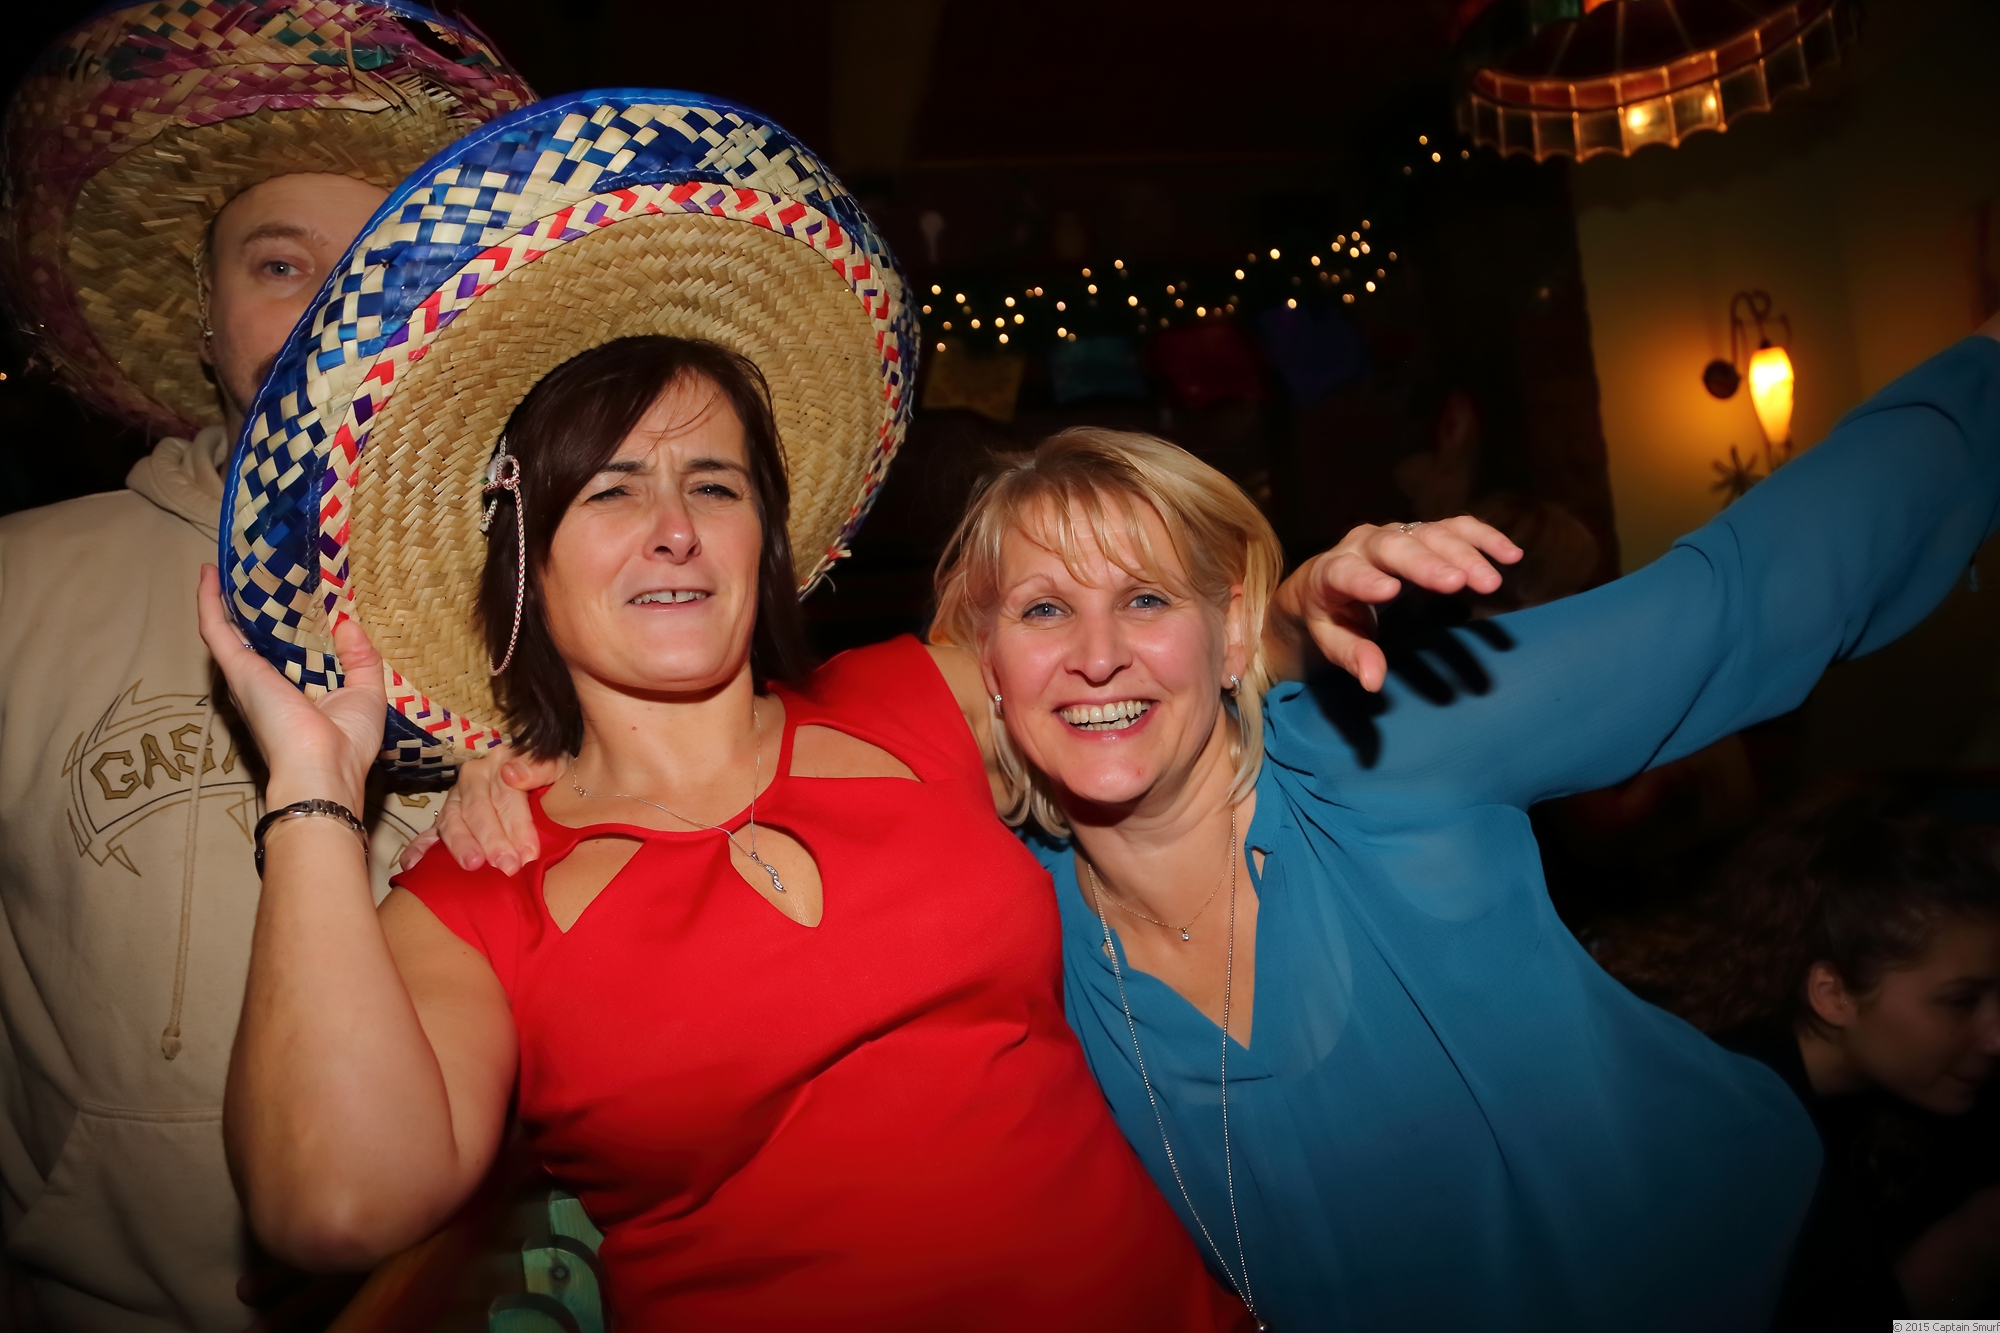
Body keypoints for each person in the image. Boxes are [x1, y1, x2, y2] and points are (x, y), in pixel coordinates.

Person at [203, 90, 1516, 1328]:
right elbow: (335, 1203)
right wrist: (312, 785)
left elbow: (1135, 672)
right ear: (525, 563)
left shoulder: (918, 692)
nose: (673, 527)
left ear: (767, 539)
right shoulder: (475, 893)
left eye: (716, 484)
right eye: (608, 491)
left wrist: (1292, 611)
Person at [444, 318, 2000, 1329]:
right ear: (983, 673)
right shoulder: (1012, 918)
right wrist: (504, 767)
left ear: (1234, 619)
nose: (1096, 653)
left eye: (1146, 600)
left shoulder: (1389, 740)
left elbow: (1737, 605)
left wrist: (1983, 381)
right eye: (1041, 611)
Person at [0, 4, 531, 1326]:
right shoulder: (21, 586)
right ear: (206, 312)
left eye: (381, 266)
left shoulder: (554, 587)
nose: (333, 308)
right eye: (281, 264)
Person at [1595, 786, 2000, 1322]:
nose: (1996, 1038)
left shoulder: (1861, 1114)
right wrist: (1971, 1251)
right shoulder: (1740, 1142)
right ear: (1833, 994)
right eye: (1961, 1001)